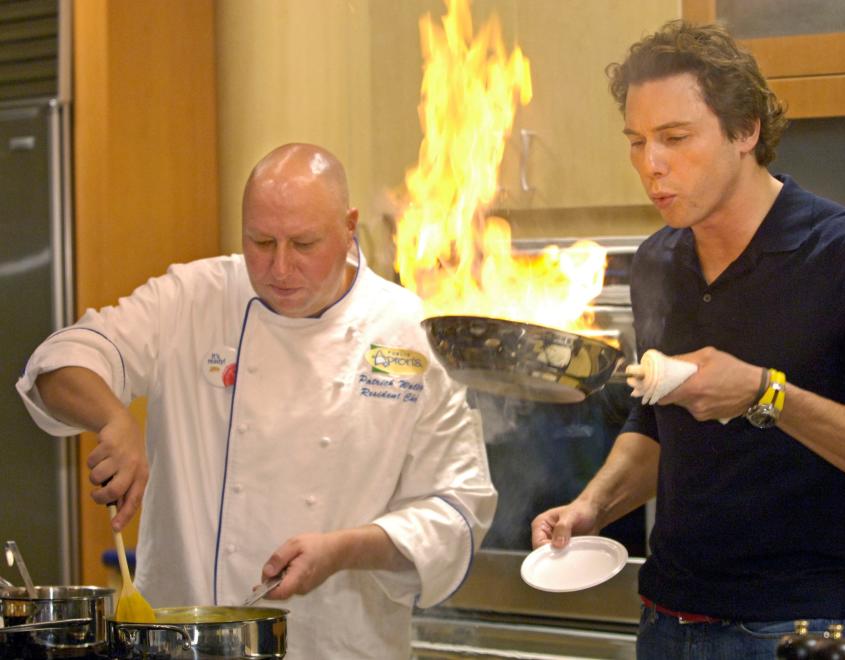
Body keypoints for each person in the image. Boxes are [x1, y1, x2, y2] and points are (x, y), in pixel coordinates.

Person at [531, 20, 845, 660]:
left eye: (675, 138)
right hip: (663, 621)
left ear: (745, 130)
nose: (651, 164)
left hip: (792, 630)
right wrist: (592, 506)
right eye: (638, 141)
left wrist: (766, 394)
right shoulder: (655, 261)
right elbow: (655, 427)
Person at [16, 143, 497, 659]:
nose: (280, 267)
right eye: (261, 241)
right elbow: (58, 360)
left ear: (349, 225)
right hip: (187, 646)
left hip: (341, 645)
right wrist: (113, 418)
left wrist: (342, 550)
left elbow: (458, 507)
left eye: (304, 244)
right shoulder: (194, 298)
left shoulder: (409, 331)